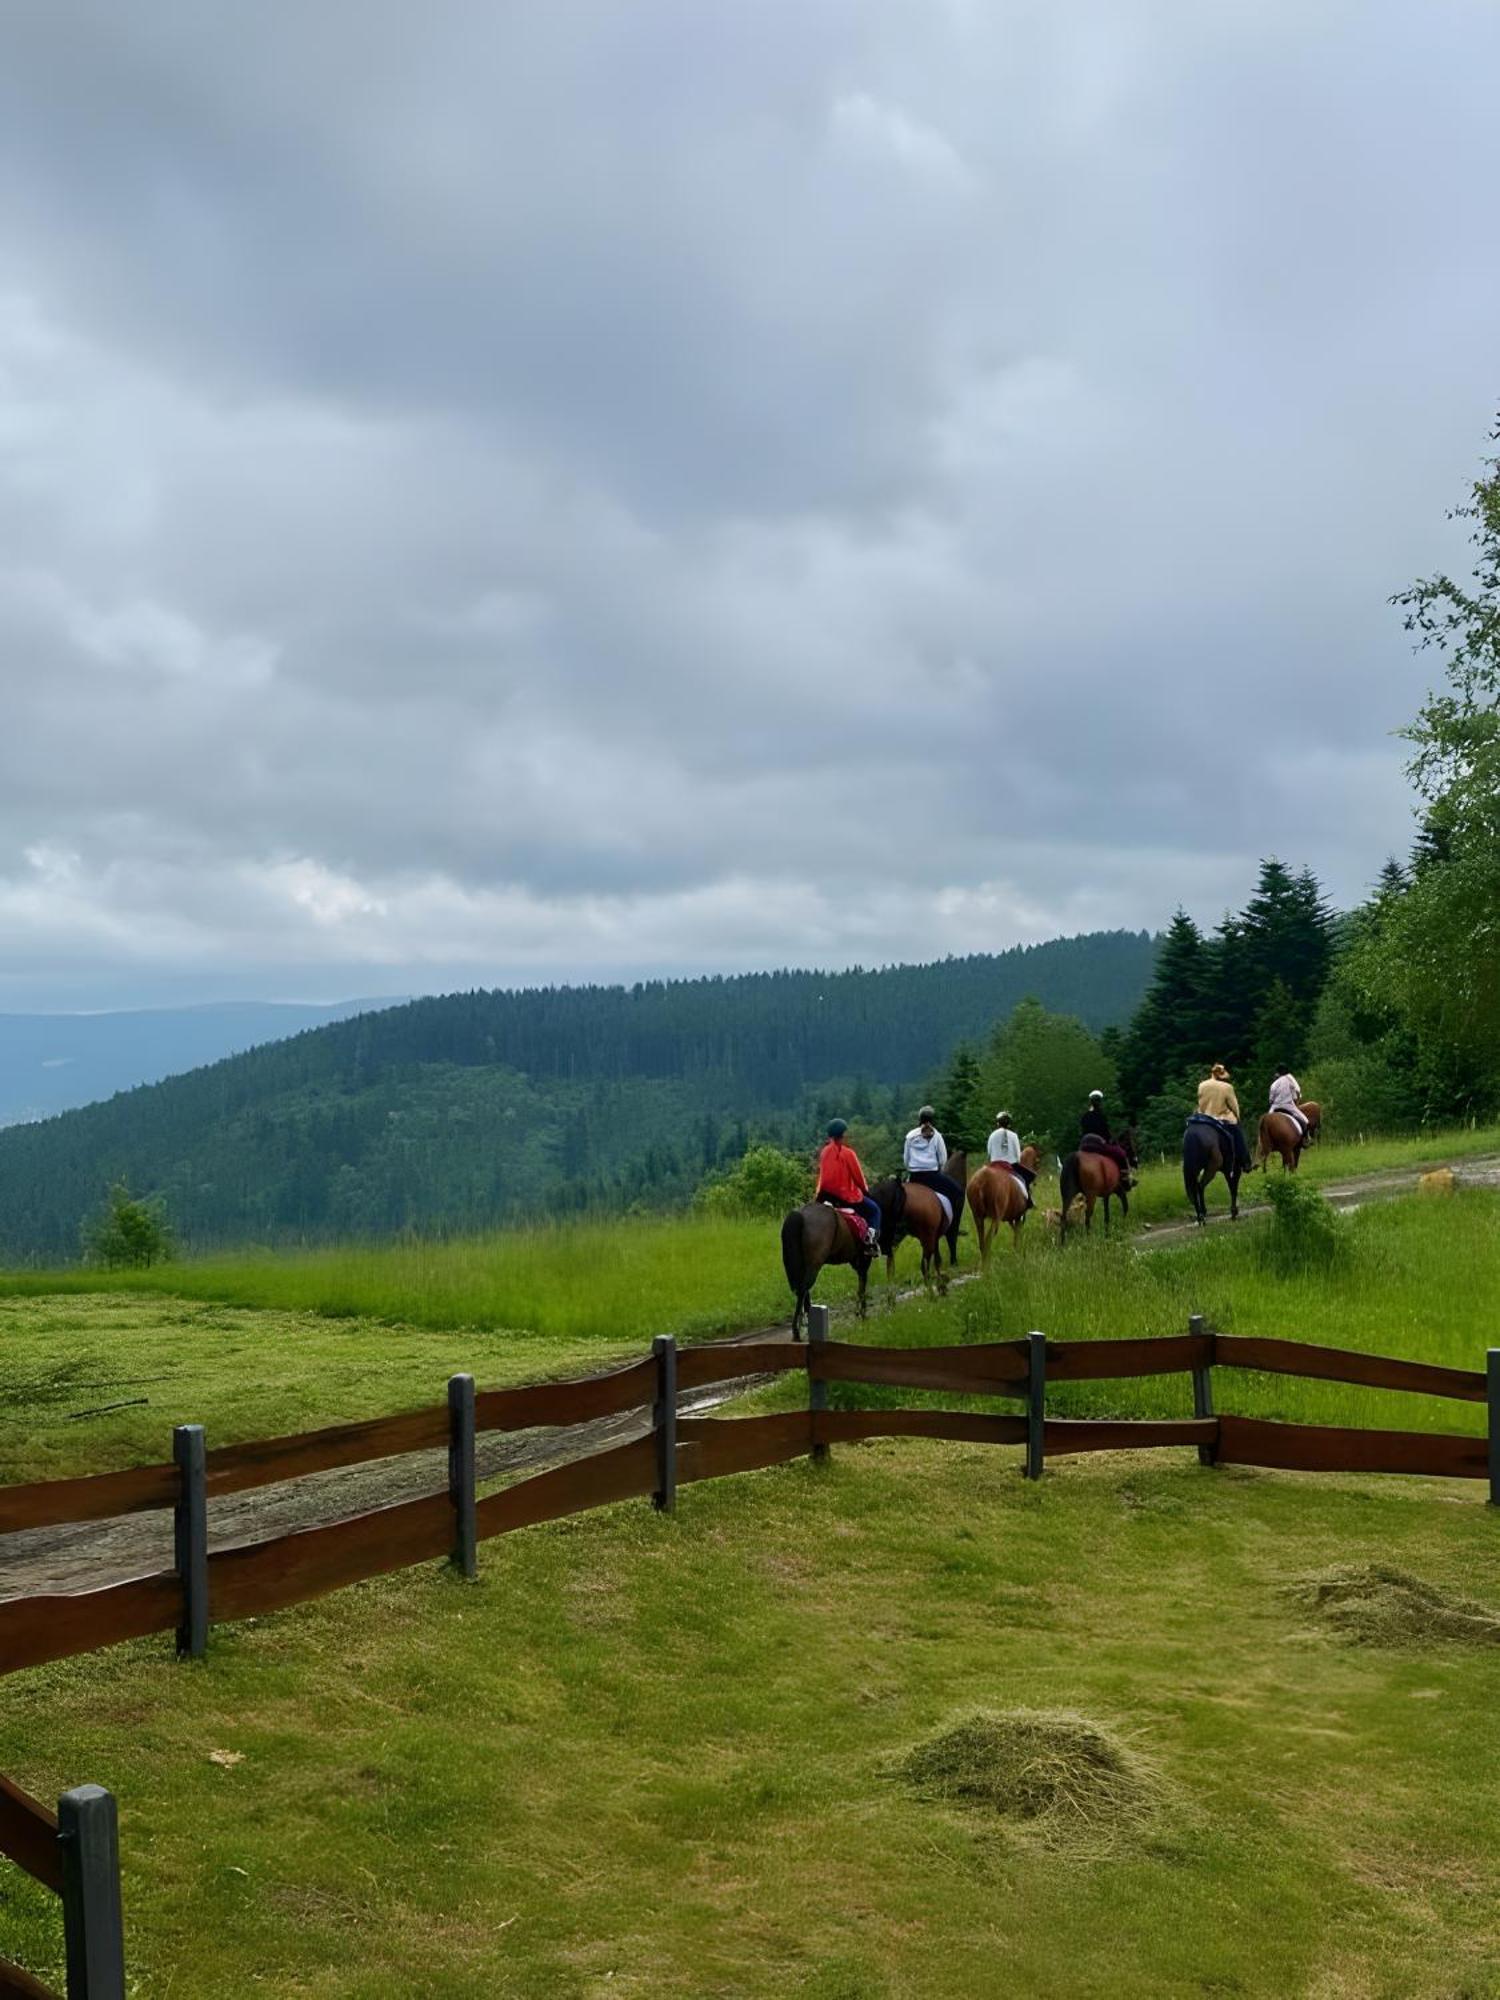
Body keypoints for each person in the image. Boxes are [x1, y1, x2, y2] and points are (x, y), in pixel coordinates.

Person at [814, 1119, 881, 1248]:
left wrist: (817, 1195)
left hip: (825, 1196)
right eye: (845, 1133)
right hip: (846, 1197)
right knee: (874, 1210)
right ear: (842, 1135)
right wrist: (866, 1191)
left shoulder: (824, 1152)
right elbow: (858, 1178)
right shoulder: (848, 1153)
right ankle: (870, 1241)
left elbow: (822, 1177)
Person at [903, 1105, 964, 1216]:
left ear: (920, 1119)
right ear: (933, 1120)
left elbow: (906, 1160)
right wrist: (938, 1169)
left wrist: (911, 1168)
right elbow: (942, 1159)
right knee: (958, 1192)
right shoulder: (937, 1136)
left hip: (914, 1177)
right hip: (932, 1176)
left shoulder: (910, 1136)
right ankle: (953, 1228)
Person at [1196, 1062, 1252, 1173]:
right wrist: (1238, 1117)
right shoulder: (1227, 1087)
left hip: (1204, 1118)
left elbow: (1200, 1102)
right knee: (1239, 1136)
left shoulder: (1202, 1085)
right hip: (1223, 1119)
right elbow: (1234, 1106)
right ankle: (1245, 1162)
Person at [1076, 1090, 1133, 1187]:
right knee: (1121, 1153)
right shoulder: (1101, 1116)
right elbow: (1105, 1133)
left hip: (1084, 1144)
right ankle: (1125, 1178)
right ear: (1099, 1102)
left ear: (1091, 1102)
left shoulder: (1085, 1116)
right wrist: (1111, 1140)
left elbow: (1082, 1131)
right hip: (1098, 1144)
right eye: (1098, 1101)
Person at [988, 1111, 1034, 1205]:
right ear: (1009, 1124)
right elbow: (1018, 1156)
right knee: (1029, 1176)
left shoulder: (992, 1135)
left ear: (997, 1123)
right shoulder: (1014, 1136)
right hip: (1011, 1165)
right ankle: (1028, 1200)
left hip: (994, 1165)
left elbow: (989, 1152)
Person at [1268, 1067, 1310, 1147]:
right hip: (1288, 1105)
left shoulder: (1273, 1084)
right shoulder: (1289, 1080)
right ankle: (1305, 1139)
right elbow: (1296, 1092)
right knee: (1305, 1121)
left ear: (1277, 1074)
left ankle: (1264, 1144)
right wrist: (1295, 1099)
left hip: (1275, 1106)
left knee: (1266, 1122)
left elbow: (1270, 1100)